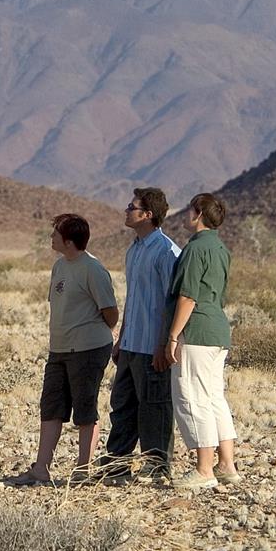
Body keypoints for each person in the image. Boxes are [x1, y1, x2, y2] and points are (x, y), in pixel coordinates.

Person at [14, 214, 119, 486]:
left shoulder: (93, 269)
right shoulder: (59, 267)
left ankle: (82, 470)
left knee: (85, 407)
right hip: (59, 349)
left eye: (55, 234)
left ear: (69, 241)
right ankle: (41, 468)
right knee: (51, 407)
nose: (51, 238)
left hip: (88, 348)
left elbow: (110, 313)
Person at [95, 188, 180, 483]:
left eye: (132, 207)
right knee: (122, 405)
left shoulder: (167, 251)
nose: (126, 211)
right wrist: (121, 340)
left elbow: (173, 301)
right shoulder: (134, 250)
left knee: (155, 406)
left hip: (153, 346)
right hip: (132, 344)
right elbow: (133, 299)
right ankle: (115, 465)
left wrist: (164, 343)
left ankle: (157, 466)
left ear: (147, 215)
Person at [164, 192, 241, 489]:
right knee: (213, 397)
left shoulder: (195, 249)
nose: (186, 215)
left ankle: (204, 470)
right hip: (218, 329)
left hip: (196, 331)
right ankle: (227, 464)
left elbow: (188, 296)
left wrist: (172, 335)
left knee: (192, 397)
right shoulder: (221, 248)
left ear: (197, 213)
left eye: (189, 210)